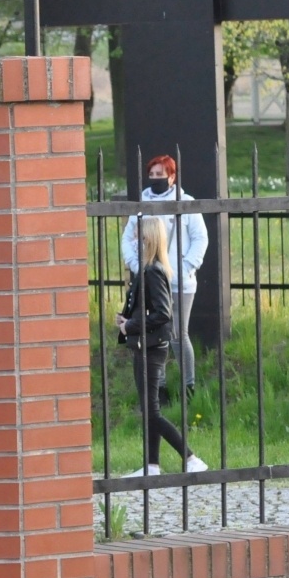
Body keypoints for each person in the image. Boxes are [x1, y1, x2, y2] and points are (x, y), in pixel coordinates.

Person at [117, 216, 208, 478]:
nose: (134, 241)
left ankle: (191, 458)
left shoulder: (153, 270)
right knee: (150, 409)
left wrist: (131, 326)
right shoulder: (147, 269)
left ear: (149, 240)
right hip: (144, 346)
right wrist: (127, 320)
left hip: (152, 348)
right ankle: (152, 466)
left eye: (139, 237)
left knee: (152, 411)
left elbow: (163, 313)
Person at [121, 155, 206, 402]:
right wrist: (140, 268)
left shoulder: (186, 203)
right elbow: (128, 239)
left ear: (172, 176)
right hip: (151, 280)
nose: (156, 179)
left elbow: (201, 239)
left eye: (161, 174)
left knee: (178, 334)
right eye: (153, 174)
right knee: (156, 335)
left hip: (181, 282)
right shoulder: (142, 204)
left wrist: (184, 267)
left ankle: (189, 386)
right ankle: (161, 388)